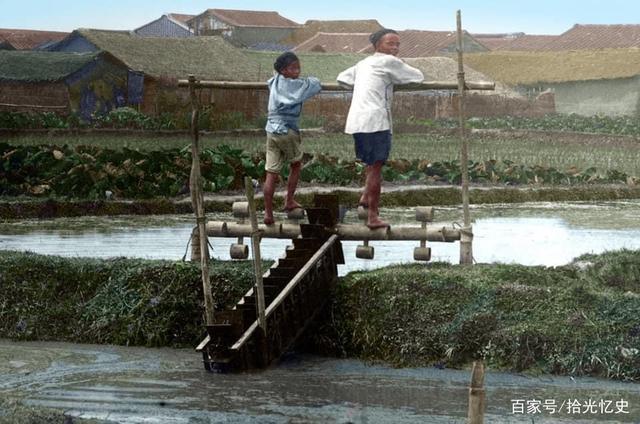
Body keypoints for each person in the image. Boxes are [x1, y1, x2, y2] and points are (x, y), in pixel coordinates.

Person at [337, 29, 424, 229]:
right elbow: (417, 76)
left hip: (357, 120)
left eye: (397, 45)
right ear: (377, 46)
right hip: (376, 120)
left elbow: (342, 78)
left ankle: (365, 197)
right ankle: (373, 217)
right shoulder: (389, 62)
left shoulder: (363, 63)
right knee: (376, 168)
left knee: (370, 164)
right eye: (390, 44)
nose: (394, 49)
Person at [263, 52, 322, 225]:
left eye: (298, 68)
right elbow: (315, 84)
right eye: (292, 68)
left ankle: (268, 213)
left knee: (271, 172)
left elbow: (274, 76)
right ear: (283, 70)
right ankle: (289, 200)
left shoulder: (275, 81)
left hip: (271, 130)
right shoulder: (294, 85)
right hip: (287, 129)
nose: (297, 71)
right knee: (296, 164)